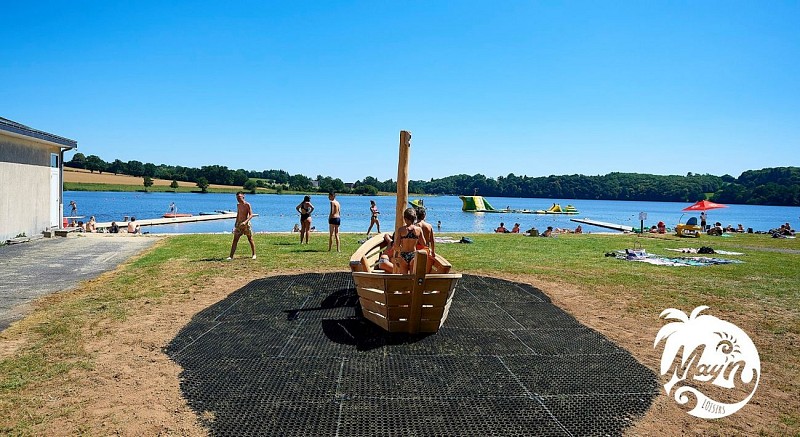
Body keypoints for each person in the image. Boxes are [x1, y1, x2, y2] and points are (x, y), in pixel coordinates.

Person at [392, 208, 426, 274]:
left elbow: (396, 245)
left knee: (404, 277)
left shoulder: (401, 230)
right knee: (412, 277)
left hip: (403, 254)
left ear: (405, 218)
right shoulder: (418, 229)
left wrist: (400, 249)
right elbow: (424, 243)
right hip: (413, 254)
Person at [227, 192, 256, 260]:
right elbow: (238, 214)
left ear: (243, 196)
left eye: (239, 197)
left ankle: (254, 254)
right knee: (235, 240)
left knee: (250, 239)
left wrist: (245, 222)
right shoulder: (238, 205)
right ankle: (231, 256)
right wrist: (236, 223)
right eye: (237, 197)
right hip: (239, 224)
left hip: (246, 224)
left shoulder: (247, 204)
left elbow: (251, 214)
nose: (238, 199)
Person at [415, 207, 436, 271]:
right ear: (424, 215)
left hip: (417, 248)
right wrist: (433, 251)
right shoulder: (429, 226)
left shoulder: (415, 225)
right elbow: (432, 240)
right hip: (426, 248)